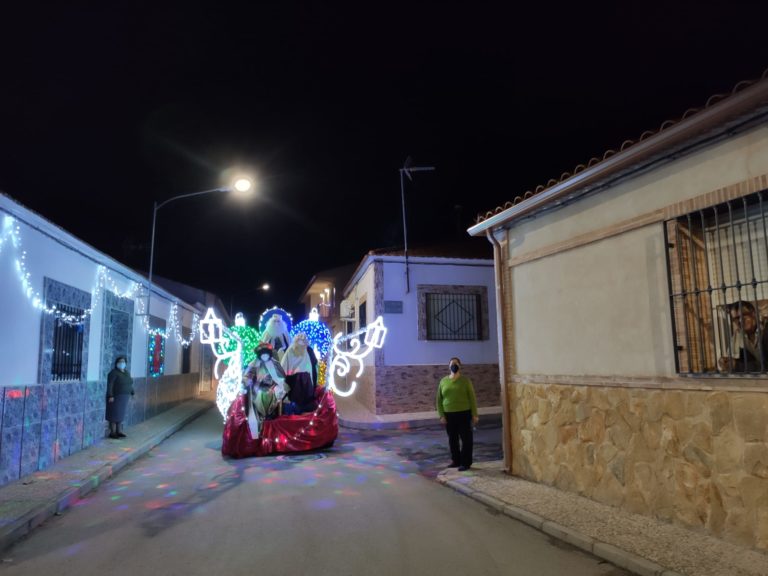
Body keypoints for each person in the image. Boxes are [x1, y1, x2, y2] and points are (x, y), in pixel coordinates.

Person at [436, 357, 478, 471]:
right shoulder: (443, 381)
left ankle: (465, 463)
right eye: (452, 364)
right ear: (449, 366)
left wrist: (474, 414)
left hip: (464, 414)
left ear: (460, 366)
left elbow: (472, 398)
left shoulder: (465, 381)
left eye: (456, 364)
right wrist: (441, 415)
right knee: (452, 439)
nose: (454, 366)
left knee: (466, 439)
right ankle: (456, 460)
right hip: (449, 415)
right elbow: (439, 400)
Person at [242, 342, 289, 439]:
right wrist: (248, 380)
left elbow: (282, 376)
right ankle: (262, 416)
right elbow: (248, 376)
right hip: (258, 387)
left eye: (266, 354)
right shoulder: (254, 364)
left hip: (272, 387)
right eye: (262, 355)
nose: (264, 356)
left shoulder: (275, 363)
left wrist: (278, 383)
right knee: (260, 395)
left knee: (274, 392)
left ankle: (270, 415)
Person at [718, 300, 768, 373]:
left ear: (753, 314)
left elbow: (765, 367)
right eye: (736, 318)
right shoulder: (741, 335)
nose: (740, 320)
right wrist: (728, 362)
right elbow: (749, 363)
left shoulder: (765, 330)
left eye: (743, 315)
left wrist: (737, 365)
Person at [281, 332, 316, 414]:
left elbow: (310, 367)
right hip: (292, 379)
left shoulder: (307, 352)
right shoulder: (290, 351)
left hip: (305, 379)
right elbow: (284, 366)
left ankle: (302, 409)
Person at [106, 356, 134, 439]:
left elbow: (129, 383)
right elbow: (110, 384)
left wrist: (132, 392)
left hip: (124, 397)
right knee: (114, 414)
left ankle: (119, 431)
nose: (122, 363)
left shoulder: (126, 373)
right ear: (116, 363)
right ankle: (113, 432)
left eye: (123, 361)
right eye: (120, 361)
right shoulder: (113, 372)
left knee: (121, 415)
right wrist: (110, 395)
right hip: (116, 397)